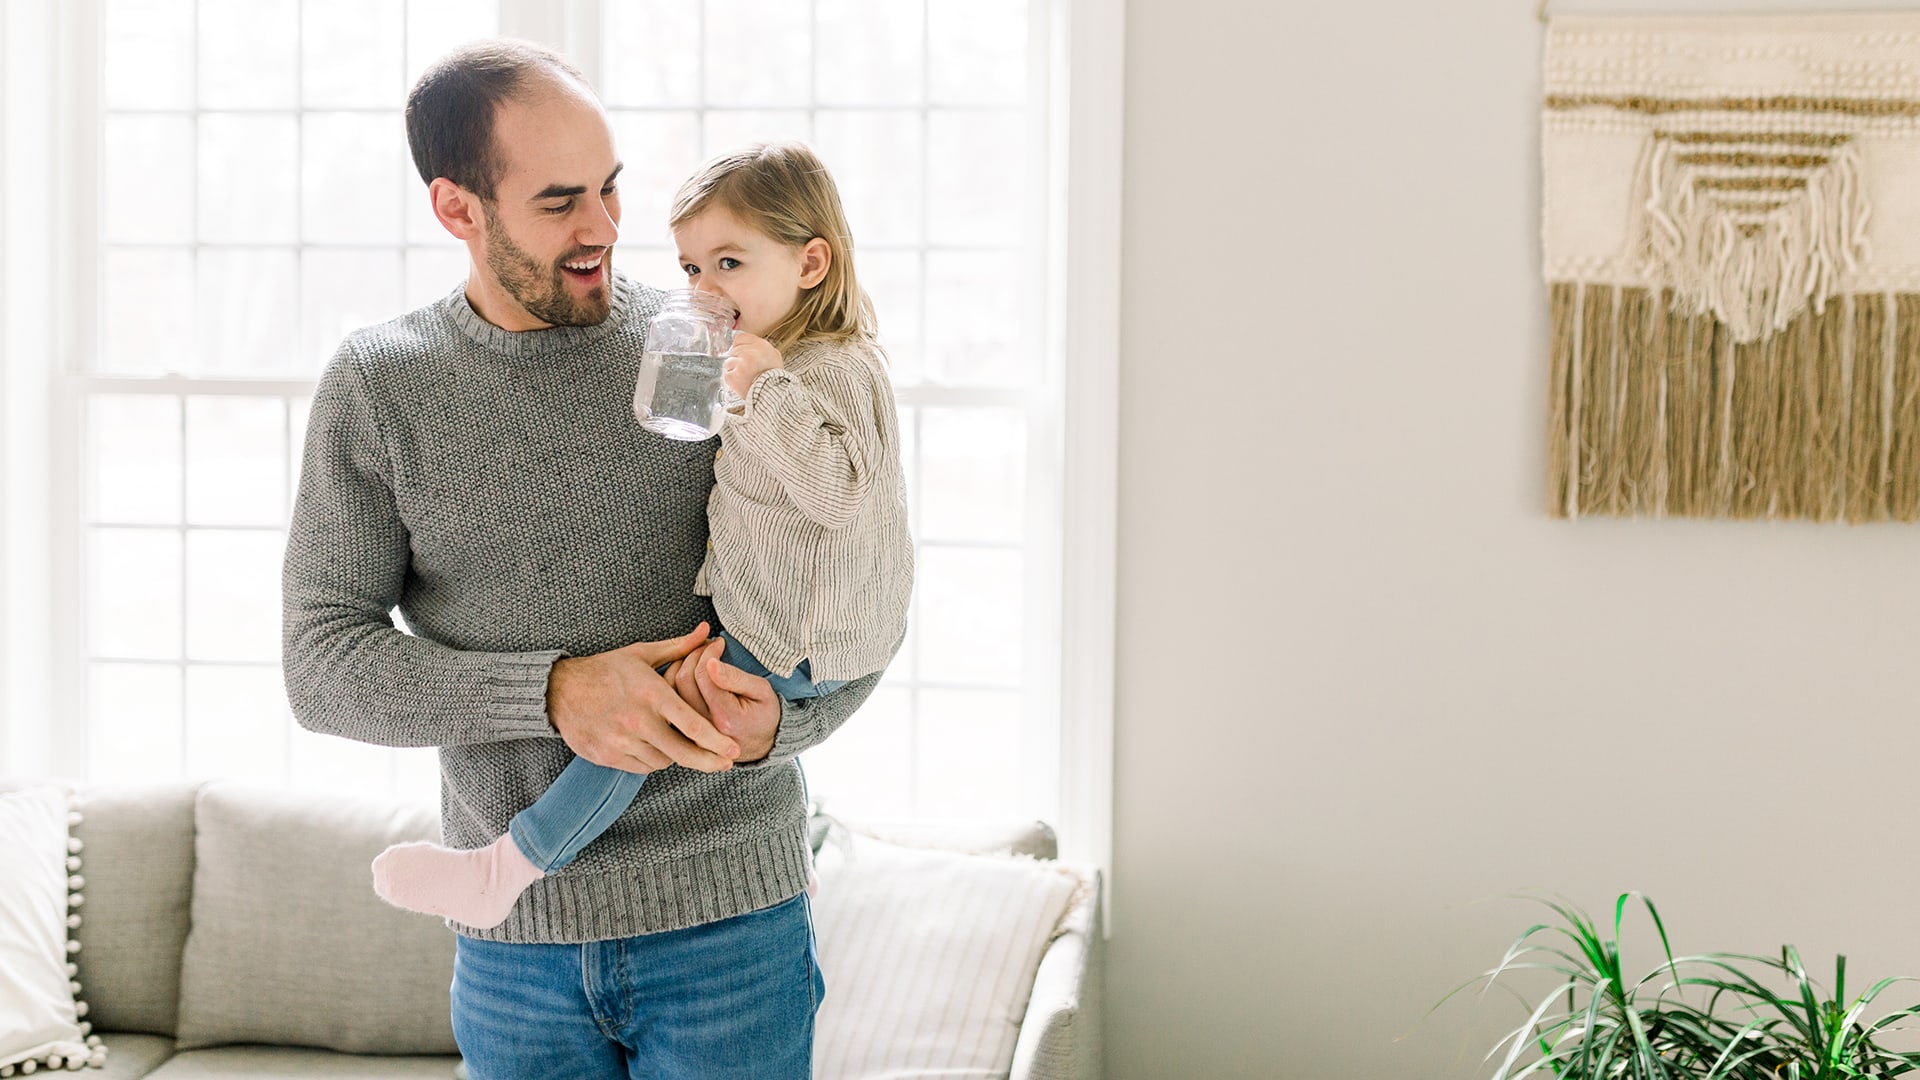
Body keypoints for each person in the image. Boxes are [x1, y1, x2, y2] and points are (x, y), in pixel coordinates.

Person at [281, 39, 892, 1079]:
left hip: (730, 928)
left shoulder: (702, 344)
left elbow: (855, 578)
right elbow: (322, 668)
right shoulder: (382, 386)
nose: (607, 229)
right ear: (457, 209)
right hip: (514, 955)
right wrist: (553, 692)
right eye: (563, 201)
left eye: (611, 189)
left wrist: (782, 722)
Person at [366, 141, 912, 932]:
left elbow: (836, 491)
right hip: (775, 620)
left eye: (729, 263)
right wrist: (709, 378)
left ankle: (507, 866)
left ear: (812, 263)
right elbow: (695, 438)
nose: (705, 289)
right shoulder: (764, 357)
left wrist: (761, 387)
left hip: (796, 635)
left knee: (644, 720)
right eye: (692, 269)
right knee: (662, 715)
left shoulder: (830, 370)